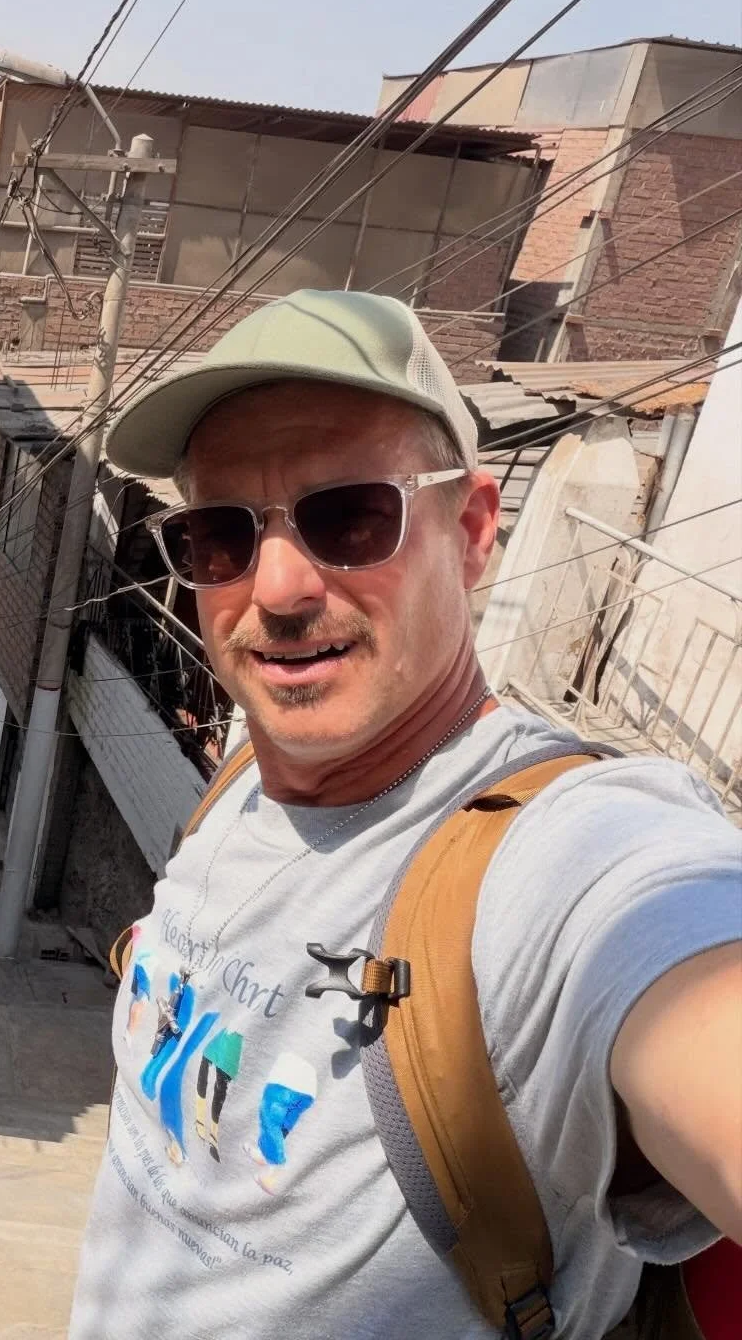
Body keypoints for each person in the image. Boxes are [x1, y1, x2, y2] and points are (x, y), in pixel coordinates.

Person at [68, 290, 741, 1338]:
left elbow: (671, 962)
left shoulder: (562, 853)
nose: (278, 586)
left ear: (472, 533)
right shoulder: (241, 784)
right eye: (220, 535)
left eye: (349, 517)